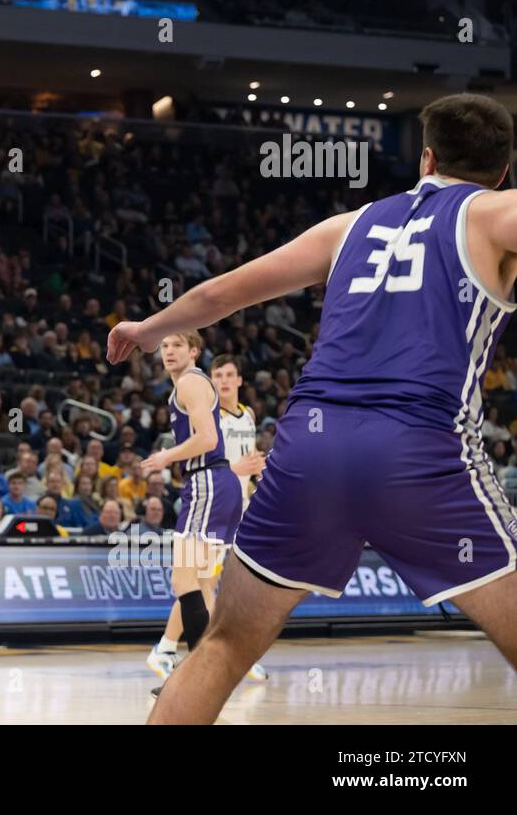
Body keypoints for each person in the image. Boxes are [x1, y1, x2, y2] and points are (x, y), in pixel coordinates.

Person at [108, 93, 517, 724]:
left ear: (426, 157)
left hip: (308, 449)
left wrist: (146, 327)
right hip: (416, 451)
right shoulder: (494, 214)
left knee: (222, 646)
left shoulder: (348, 225)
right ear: (502, 171)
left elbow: (223, 292)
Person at [145, 352, 269, 684]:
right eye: (219, 375)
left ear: (241, 380)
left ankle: (176, 651)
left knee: (203, 584)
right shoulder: (212, 417)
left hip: (235, 505)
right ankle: (176, 650)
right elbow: (210, 459)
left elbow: (246, 461)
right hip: (213, 497)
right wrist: (235, 471)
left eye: (230, 375)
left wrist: (255, 478)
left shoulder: (248, 415)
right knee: (200, 583)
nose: (224, 381)